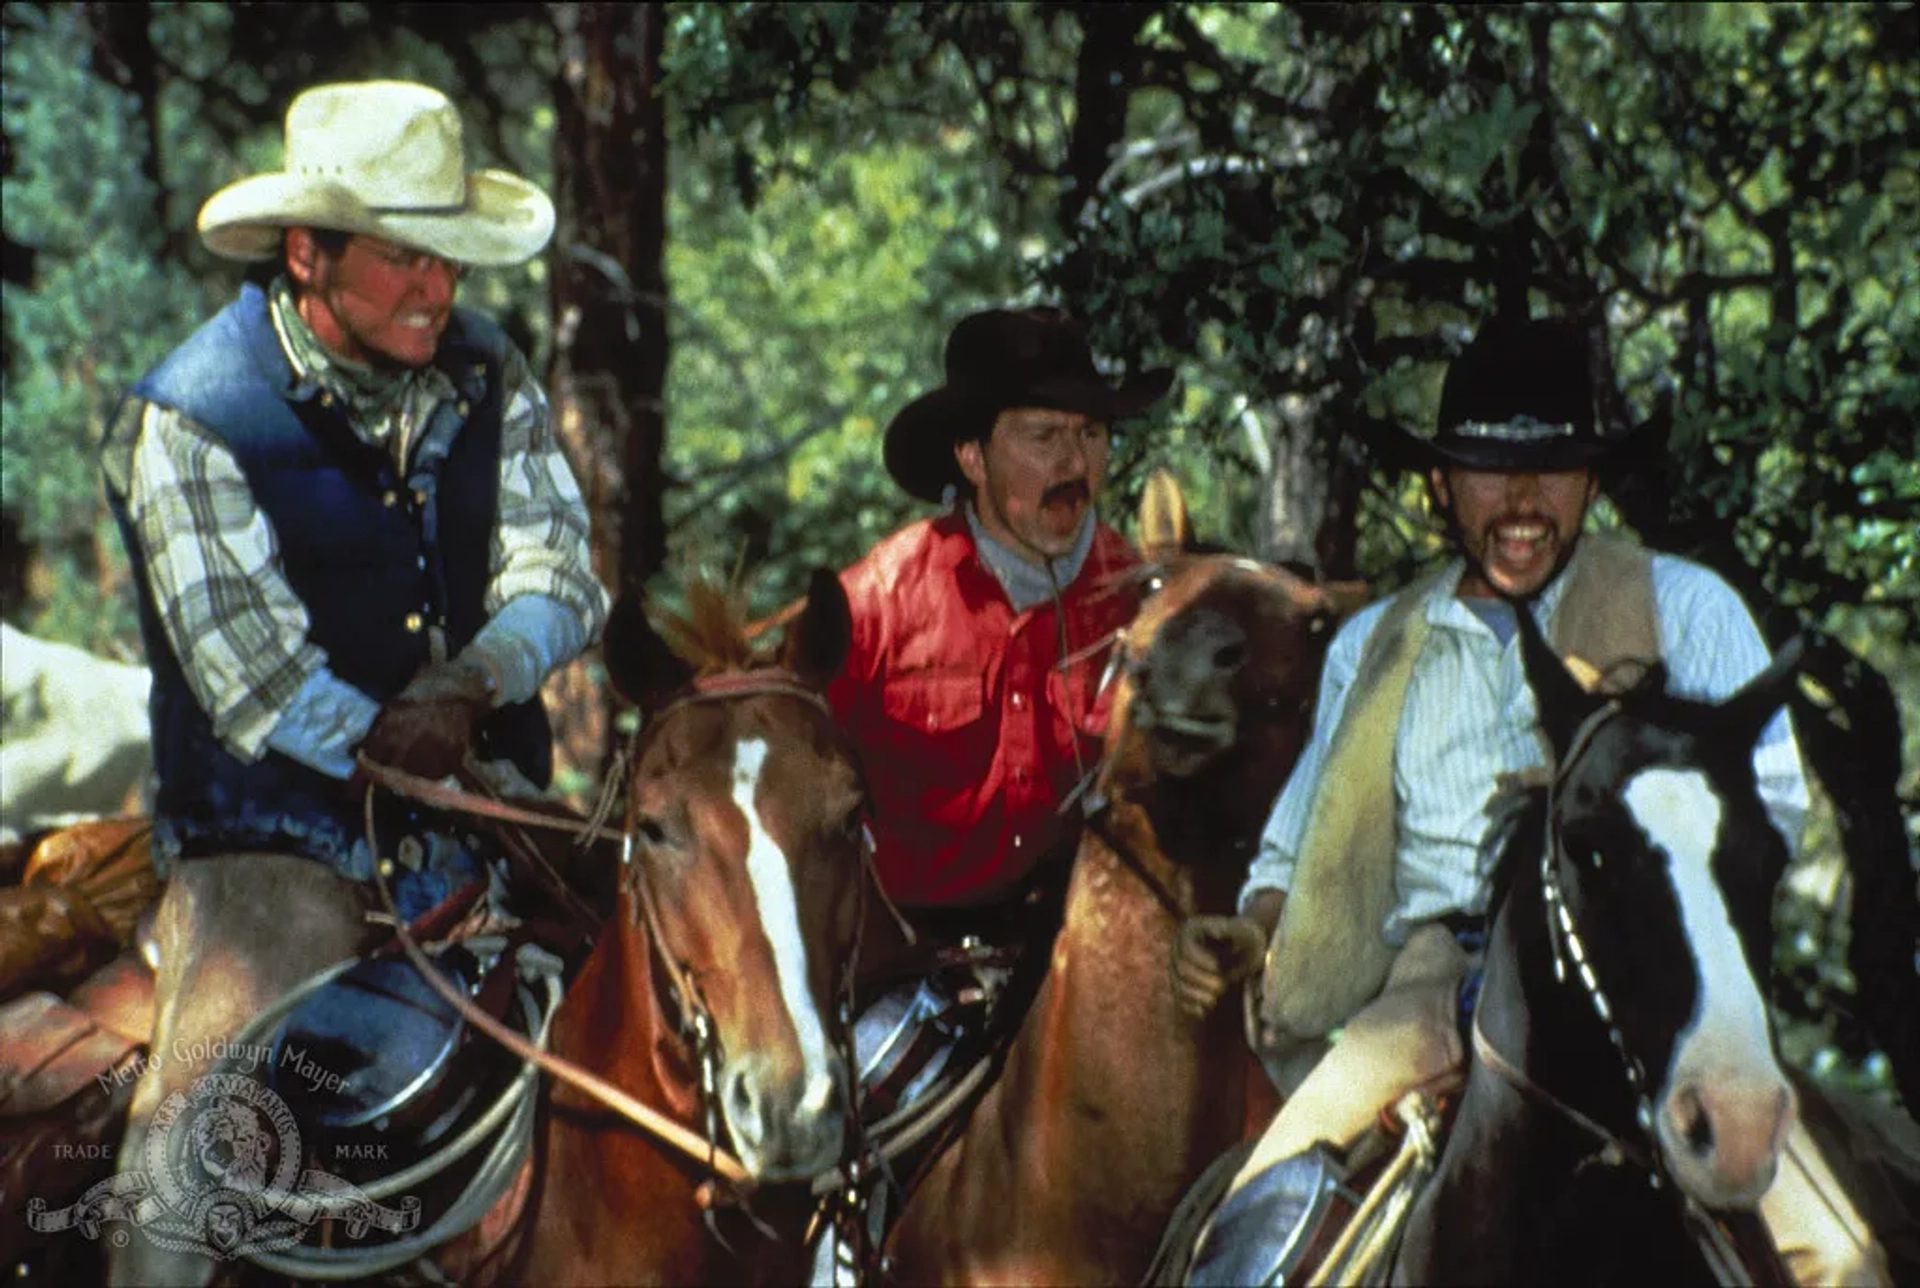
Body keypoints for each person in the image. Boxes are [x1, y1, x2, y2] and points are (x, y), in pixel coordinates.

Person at [1168, 317, 1888, 1285]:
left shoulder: (1690, 605)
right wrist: (1255, 929)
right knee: (1250, 1241)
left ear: (1592, 482)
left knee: (1840, 1258)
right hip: (1433, 975)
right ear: (1440, 484)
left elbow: (1766, 811)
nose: (1520, 501)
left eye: (1553, 469)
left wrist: (1635, 826)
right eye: (1485, 468)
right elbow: (1294, 847)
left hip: (1654, 975)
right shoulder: (1378, 644)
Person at [98, 80, 607, 1284]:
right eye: (402, 259)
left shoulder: (489, 370)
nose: (438, 290)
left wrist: (477, 680)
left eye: (450, 261)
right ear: (305, 254)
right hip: (274, 844)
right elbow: (256, 680)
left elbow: (561, 568)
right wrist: (406, 740)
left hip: (494, 816)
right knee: (179, 1160)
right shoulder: (192, 417)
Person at [825, 307, 1172, 973]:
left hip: (1091, 967)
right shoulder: (874, 608)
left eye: (1092, 434)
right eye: (1043, 436)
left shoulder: (1145, 609)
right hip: (901, 967)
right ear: (972, 456)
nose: (1074, 462)